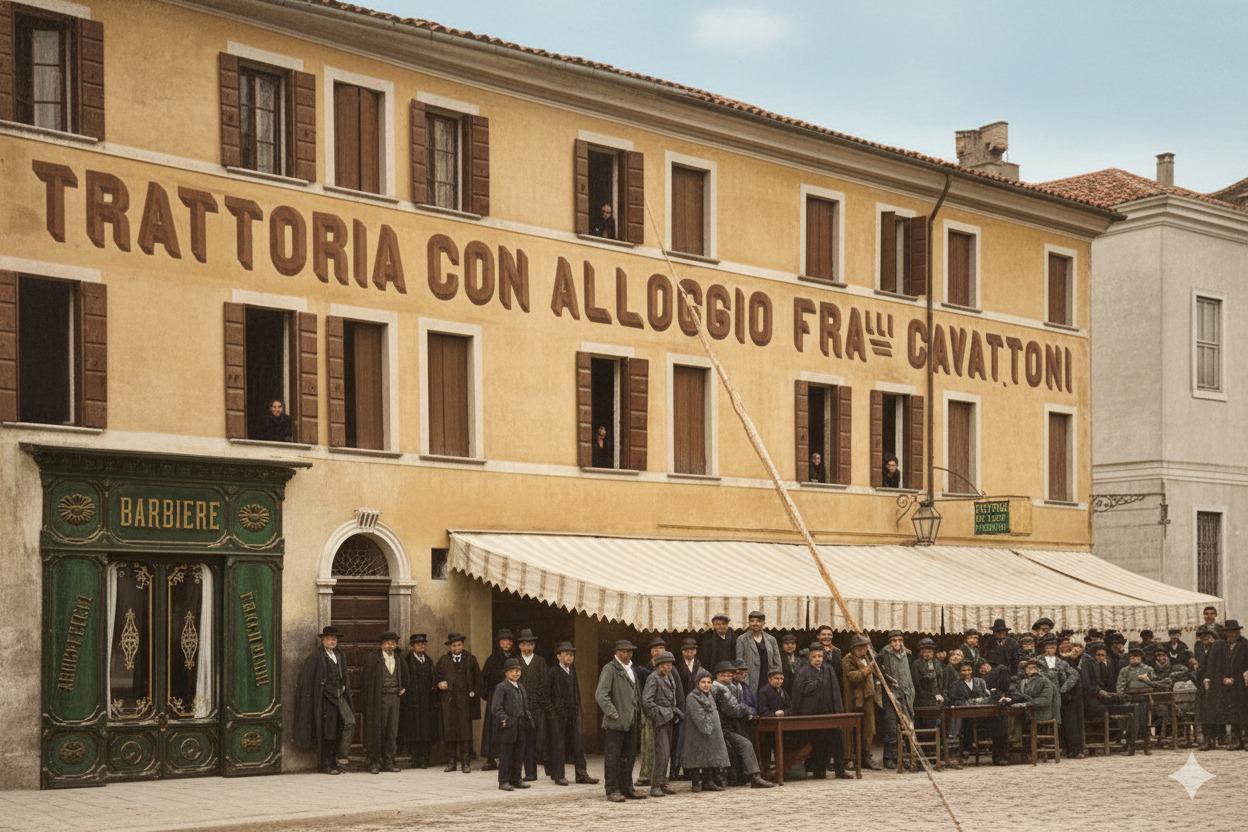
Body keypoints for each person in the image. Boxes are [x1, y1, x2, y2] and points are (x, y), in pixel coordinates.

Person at [294, 625, 354, 775]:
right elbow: (307, 681)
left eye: (334, 639)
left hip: (339, 697)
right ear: (323, 640)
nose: (332, 641)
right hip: (325, 699)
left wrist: (344, 686)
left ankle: (341, 757)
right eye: (329, 639)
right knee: (329, 731)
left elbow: (343, 675)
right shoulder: (316, 657)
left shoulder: (339, 655)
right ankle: (326, 764)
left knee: (349, 722)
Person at [710, 661, 775, 787]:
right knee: (745, 744)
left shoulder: (734, 687)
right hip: (720, 729)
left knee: (747, 742)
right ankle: (754, 776)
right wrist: (747, 710)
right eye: (723, 675)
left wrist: (745, 710)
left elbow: (739, 707)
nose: (727, 678)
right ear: (717, 676)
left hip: (731, 727)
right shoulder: (718, 690)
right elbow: (732, 710)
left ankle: (751, 776)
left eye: (729, 675)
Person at [595, 639, 646, 802]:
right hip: (616, 722)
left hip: (632, 720)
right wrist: (613, 713)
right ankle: (612, 789)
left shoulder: (631, 668)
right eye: (624, 651)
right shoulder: (610, 668)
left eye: (630, 651)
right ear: (616, 652)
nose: (627, 654)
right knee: (613, 757)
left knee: (629, 756)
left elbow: (636, 692)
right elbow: (601, 695)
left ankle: (627, 787)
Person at [792, 642, 850, 779]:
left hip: (828, 712)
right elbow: (798, 693)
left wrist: (838, 713)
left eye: (820, 656)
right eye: (814, 657)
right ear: (809, 658)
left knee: (837, 740)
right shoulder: (803, 671)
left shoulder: (828, 670)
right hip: (811, 714)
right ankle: (819, 770)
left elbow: (835, 691)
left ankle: (840, 770)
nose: (817, 659)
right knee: (818, 742)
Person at [543, 641, 598, 786]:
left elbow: (576, 693)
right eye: (566, 654)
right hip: (558, 715)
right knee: (558, 745)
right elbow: (545, 696)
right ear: (558, 656)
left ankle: (581, 774)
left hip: (573, 714)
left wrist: (578, 709)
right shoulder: (553, 672)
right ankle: (558, 775)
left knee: (578, 744)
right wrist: (552, 714)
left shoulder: (572, 671)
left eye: (572, 655)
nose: (570, 657)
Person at [435, 632, 483, 772]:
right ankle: (451, 762)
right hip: (449, 701)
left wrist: (474, 691)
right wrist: (439, 684)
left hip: (464, 701)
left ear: (463, 645)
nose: (457, 648)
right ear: (450, 647)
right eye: (454, 645)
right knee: (450, 732)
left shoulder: (470, 659)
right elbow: (436, 678)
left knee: (465, 732)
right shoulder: (443, 660)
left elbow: (478, 678)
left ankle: (465, 763)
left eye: (459, 645)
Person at [360, 631, 406, 774]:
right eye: (387, 643)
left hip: (394, 699)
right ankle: (374, 762)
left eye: (393, 643)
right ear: (381, 645)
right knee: (377, 731)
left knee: (392, 731)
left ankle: (389, 761)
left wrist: (403, 688)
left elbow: (406, 675)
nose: (390, 646)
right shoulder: (373, 659)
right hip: (379, 699)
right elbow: (366, 682)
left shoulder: (398, 659)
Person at [1082, 642, 1138, 755]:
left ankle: (1129, 743)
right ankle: (1105, 739)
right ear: (1093, 655)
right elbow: (1087, 685)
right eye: (1098, 655)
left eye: (1103, 655)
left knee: (1131, 705)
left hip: (1103, 697)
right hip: (1090, 700)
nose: (1100, 658)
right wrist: (1099, 691)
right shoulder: (1087, 665)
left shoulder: (1104, 665)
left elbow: (1107, 685)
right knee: (1103, 710)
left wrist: (1112, 694)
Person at [679, 669, 730, 792]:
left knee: (710, 755)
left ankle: (708, 781)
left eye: (709, 682)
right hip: (697, 731)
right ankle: (696, 782)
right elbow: (697, 715)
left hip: (711, 732)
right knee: (697, 756)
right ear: (697, 683)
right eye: (703, 682)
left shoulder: (710, 696)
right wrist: (706, 726)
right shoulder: (692, 697)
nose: (706, 685)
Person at [1203, 619, 1248, 750]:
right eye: (1229, 632)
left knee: (1243, 711)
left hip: (1242, 684)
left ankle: (1245, 739)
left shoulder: (1245, 645)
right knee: (1231, 711)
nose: (1231, 635)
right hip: (1225, 684)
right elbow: (1218, 665)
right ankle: (1235, 739)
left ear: (1238, 632)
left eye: (1234, 632)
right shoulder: (1222, 646)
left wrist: (1239, 678)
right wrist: (1223, 678)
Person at [641, 650, 680, 797]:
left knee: (667, 752)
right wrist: (661, 714)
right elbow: (647, 701)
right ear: (658, 665)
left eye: (670, 664)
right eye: (665, 664)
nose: (668, 667)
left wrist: (673, 711)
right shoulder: (653, 678)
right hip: (660, 720)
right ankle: (655, 786)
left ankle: (663, 783)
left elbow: (672, 697)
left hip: (669, 718)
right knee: (662, 753)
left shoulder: (669, 677)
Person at [841, 633, 882, 770]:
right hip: (854, 699)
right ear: (854, 648)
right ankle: (850, 758)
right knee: (852, 729)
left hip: (868, 698)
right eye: (861, 647)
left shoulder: (867, 658)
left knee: (869, 729)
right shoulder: (848, 659)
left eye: (865, 646)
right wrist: (867, 670)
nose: (864, 649)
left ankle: (865, 756)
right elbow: (853, 676)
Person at [491, 657, 533, 791]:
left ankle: (516, 779)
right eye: (513, 671)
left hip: (520, 725)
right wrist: (506, 719)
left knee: (519, 753)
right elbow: (496, 708)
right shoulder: (502, 687)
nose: (516, 673)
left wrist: (527, 717)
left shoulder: (520, 686)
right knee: (507, 754)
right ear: (506, 673)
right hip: (508, 727)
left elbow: (525, 705)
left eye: (518, 671)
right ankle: (503, 780)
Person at [1035, 635, 1081, 758]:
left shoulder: (1061, 662)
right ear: (1044, 648)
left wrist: (1064, 688)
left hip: (1059, 697)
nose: (1051, 649)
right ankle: (1044, 750)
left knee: (1068, 718)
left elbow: (1074, 674)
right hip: (1043, 696)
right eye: (1048, 647)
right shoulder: (1037, 661)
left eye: (1053, 647)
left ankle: (1072, 749)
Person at [876, 630, 914, 770]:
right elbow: (879, 672)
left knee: (905, 726)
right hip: (890, 694)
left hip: (905, 694)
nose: (897, 643)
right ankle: (889, 757)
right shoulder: (884, 654)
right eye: (894, 641)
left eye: (899, 640)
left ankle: (903, 757)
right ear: (889, 642)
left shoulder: (907, 655)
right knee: (891, 726)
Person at [479, 629, 516, 771]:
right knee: (492, 727)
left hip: (511, 698)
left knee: (507, 726)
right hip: (495, 697)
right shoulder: (492, 658)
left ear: (511, 643)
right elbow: (484, 678)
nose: (506, 643)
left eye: (508, 641)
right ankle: (490, 759)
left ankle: (505, 758)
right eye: (503, 641)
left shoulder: (515, 658)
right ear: (499, 643)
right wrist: (487, 695)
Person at [1116, 646, 1165, 754]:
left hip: (1145, 698)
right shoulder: (1124, 671)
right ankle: (1130, 746)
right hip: (1130, 700)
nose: (1134, 659)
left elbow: (1155, 684)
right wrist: (1125, 698)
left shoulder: (1148, 669)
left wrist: (1150, 693)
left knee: (1146, 722)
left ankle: (1146, 747)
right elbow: (1120, 687)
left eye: (1137, 656)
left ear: (1141, 658)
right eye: (1132, 657)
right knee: (1132, 722)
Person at [400, 633, 437, 769]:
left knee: (426, 730)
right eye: (418, 644)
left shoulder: (428, 661)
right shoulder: (407, 661)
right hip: (412, 701)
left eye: (423, 644)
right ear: (412, 647)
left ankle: (424, 759)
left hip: (426, 701)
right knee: (414, 729)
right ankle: (415, 758)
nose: (421, 646)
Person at [634, 637, 667, 788]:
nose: (657, 651)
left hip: (663, 711)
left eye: (660, 648)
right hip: (648, 709)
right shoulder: (643, 668)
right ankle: (645, 774)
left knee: (662, 745)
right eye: (654, 649)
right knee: (647, 743)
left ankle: (660, 776)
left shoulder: (669, 668)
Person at [515, 630, 547, 781]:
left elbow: (544, 684)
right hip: (518, 708)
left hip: (535, 708)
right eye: (524, 645)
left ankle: (531, 773)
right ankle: (516, 773)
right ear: (520, 646)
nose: (527, 648)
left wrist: (537, 703)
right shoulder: (515, 662)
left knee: (533, 741)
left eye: (530, 644)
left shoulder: (540, 661)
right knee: (520, 740)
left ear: (533, 646)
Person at [945, 661, 992, 763]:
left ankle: (980, 747)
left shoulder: (980, 682)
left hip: (980, 712)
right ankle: (963, 749)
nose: (966, 673)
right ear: (959, 672)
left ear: (972, 670)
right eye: (963, 670)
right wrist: (969, 702)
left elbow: (986, 696)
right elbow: (953, 700)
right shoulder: (956, 685)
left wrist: (981, 700)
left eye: (969, 670)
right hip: (964, 714)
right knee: (965, 725)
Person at [736, 610, 781, 695]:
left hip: (768, 675)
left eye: (759, 621)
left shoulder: (771, 639)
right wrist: (743, 680)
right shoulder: (742, 639)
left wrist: (777, 678)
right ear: (749, 623)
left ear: (764, 623)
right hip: (750, 678)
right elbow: (739, 661)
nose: (755, 623)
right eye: (752, 621)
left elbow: (777, 661)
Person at [1195, 625, 1221, 749]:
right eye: (1203, 636)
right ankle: (1207, 739)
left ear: (1213, 637)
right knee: (1204, 711)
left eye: (1208, 635)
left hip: (1215, 684)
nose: (1205, 638)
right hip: (1202, 684)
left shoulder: (1218, 647)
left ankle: (1214, 739)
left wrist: (1210, 678)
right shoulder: (1199, 648)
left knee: (1213, 711)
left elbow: (1219, 666)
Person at [1011, 658, 1057, 729]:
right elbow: (1018, 695)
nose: (1030, 669)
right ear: (1025, 670)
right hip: (1026, 712)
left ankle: (1016, 738)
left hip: (1040, 713)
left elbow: (1045, 700)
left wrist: (1026, 704)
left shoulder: (1045, 681)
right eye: (1028, 667)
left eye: (1034, 667)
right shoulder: (1022, 682)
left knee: (1015, 720)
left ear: (1039, 669)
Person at [911, 638, 946, 726]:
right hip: (923, 699)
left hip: (938, 698)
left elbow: (940, 681)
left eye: (930, 651)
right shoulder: (916, 664)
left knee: (939, 721)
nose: (928, 654)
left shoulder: (937, 663)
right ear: (921, 652)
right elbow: (917, 683)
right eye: (925, 652)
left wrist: (940, 694)